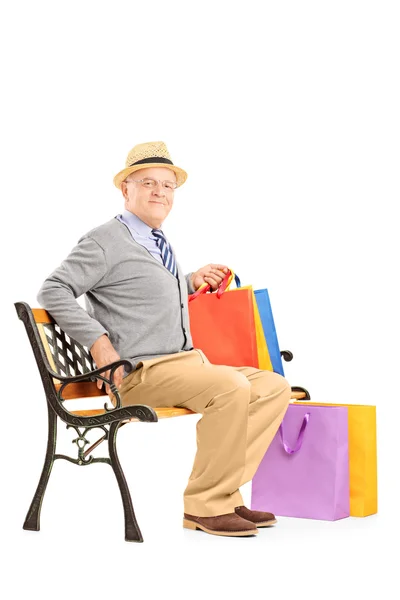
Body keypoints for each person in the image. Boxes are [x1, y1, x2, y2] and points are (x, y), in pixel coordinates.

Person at [37, 140, 292, 538]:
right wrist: (98, 341)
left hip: (186, 364)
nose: (160, 193)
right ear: (126, 189)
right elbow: (53, 290)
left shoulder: (155, 238)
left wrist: (188, 280)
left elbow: (139, 290)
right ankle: (204, 506)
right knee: (231, 387)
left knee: (273, 386)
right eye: (149, 183)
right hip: (140, 374)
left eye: (168, 186)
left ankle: (223, 494)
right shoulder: (105, 240)